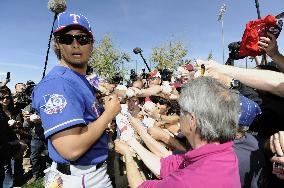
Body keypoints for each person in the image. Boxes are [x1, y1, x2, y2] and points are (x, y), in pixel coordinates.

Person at [32, 12, 121, 187]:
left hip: (93, 172)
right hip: (79, 177)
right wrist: (108, 114)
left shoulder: (83, 78)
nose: (75, 44)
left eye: (82, 38)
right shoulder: (58, 83)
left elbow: (112, 90)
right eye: (67, 39)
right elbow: (71, 149)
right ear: (57, 45)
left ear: (91, 45)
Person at [115, 77, 241, 188]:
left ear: (192, 120)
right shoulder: (223, 153)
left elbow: (140, 185)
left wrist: (127, 154)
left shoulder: (188, 182)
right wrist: (133, 140)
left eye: (181, 112)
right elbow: (163, 167)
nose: (178, 116)